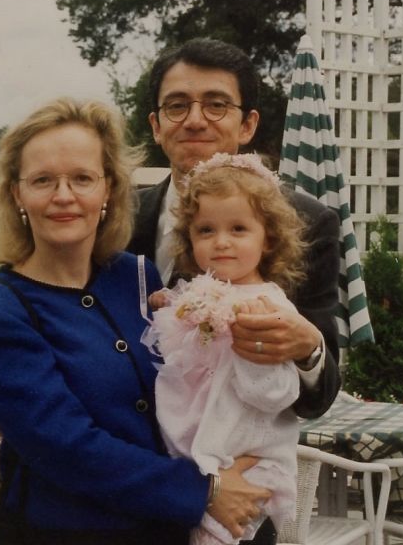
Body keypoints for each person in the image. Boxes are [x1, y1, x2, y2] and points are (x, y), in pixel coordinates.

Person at [0, 97, 269, 544]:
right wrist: (206, 491)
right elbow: (67, 448)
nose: (64, 196)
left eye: (82, 178)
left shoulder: (138, 278)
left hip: (174, 532)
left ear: (108, 189)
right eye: (43, 180)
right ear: (16, 194)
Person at [128, 37, 341, 423]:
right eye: (177, 106)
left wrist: (309, 348)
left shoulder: (307, 222)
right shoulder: (117, 219)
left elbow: (318, 398)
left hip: (242, 455)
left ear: (247, 125)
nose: (195, 120)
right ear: (156, 126)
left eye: (216, 105)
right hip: (127, 453)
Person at [141, 153, 306, 545]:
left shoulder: (270, 306)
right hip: (193, 453)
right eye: (206, 230)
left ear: (268, 238)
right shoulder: (198, 292)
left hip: (247, 457)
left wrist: (255, 352)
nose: (222, 243)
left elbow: (278, 394)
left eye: (238, 229)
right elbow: (175, 356)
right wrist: (170, 309)